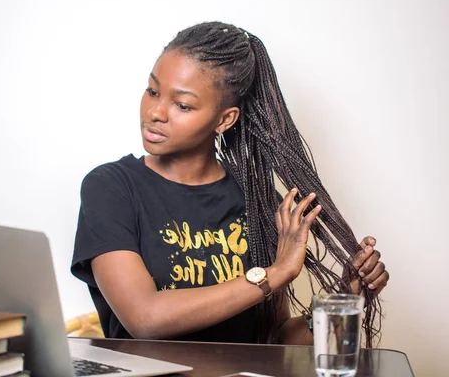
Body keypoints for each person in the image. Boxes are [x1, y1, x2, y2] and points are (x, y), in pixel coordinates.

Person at [71, 21, 389, 346]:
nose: (155, 112)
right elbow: (145, 318)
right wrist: (276, 273)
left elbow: (274, 339)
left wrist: (341, 302)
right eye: (153, 91)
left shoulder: (256, 200)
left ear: (225, 119)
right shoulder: (111, 188)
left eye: (182, 105)